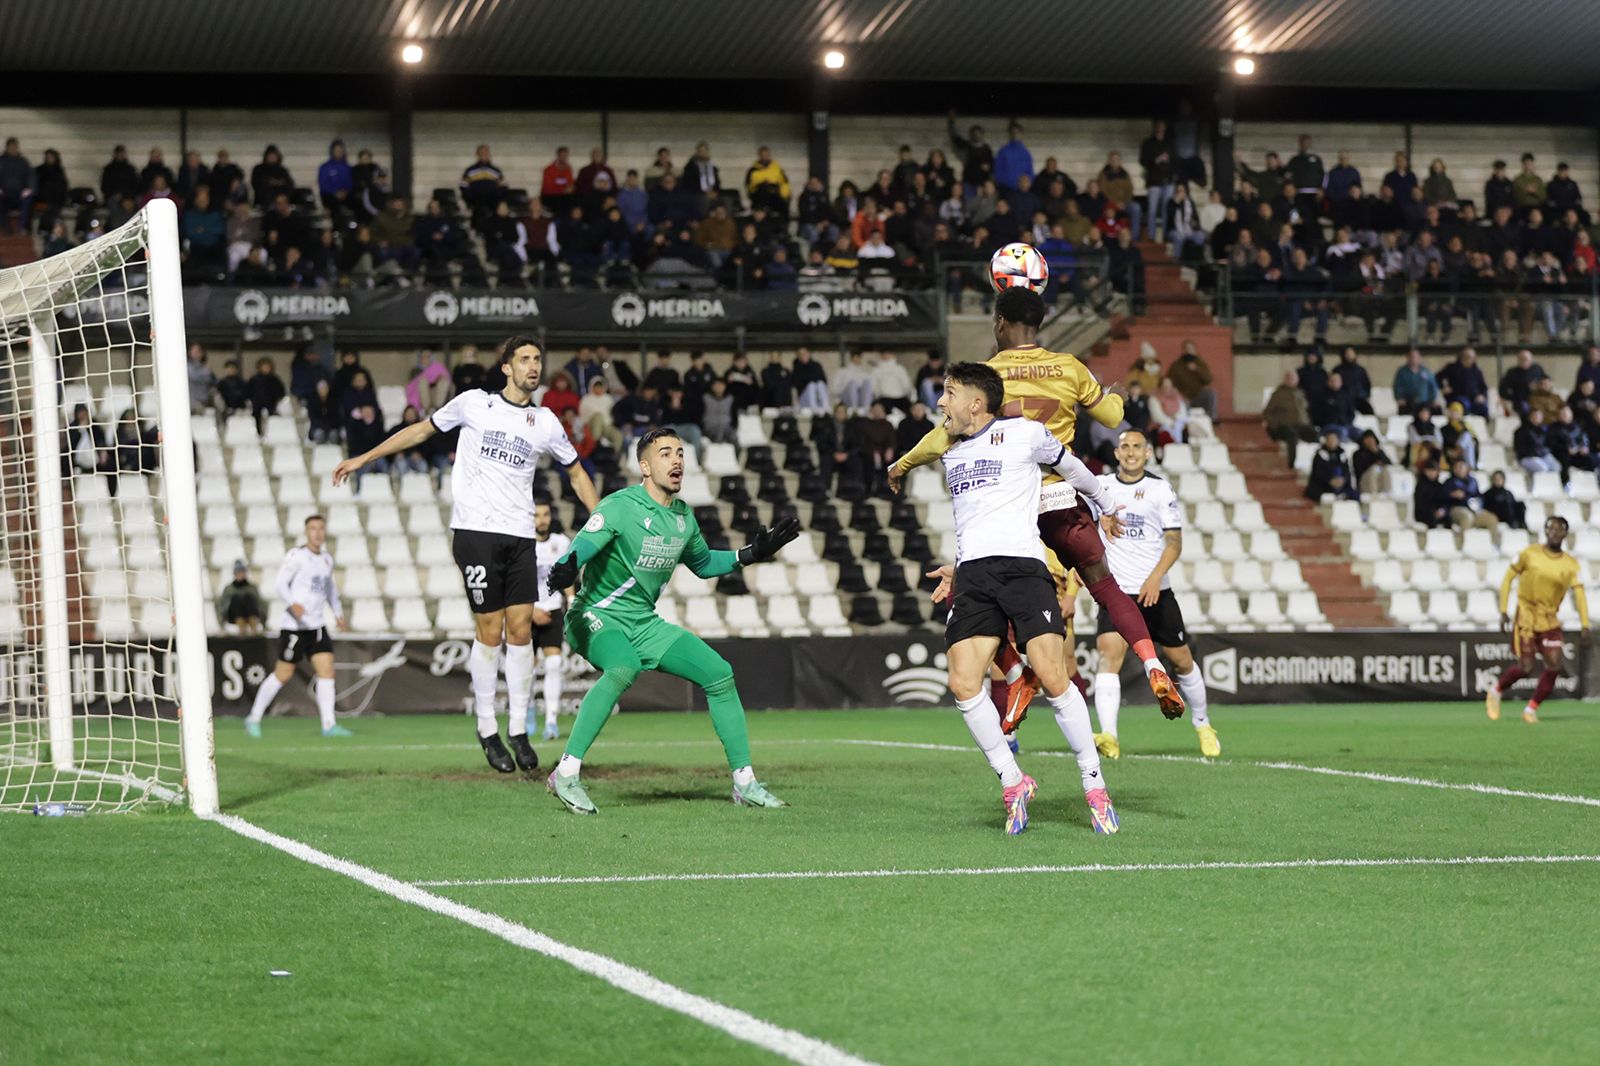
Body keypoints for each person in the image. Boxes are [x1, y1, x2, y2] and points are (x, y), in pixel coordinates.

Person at [888, 286, 1186, 720]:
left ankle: (1016, 675)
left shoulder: (987, 375)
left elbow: (944, 435)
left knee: (969, 591)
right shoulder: (1069, 367)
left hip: (1012, 508)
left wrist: (901, 465)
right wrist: (1113, 395)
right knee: (1105, 587)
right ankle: (1154, 664)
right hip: (1064, 499)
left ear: (1000, 324)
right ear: (1040, 324)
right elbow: (1112, 418)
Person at [332, 337, 600, 773]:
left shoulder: (545, 421)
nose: (534, 366)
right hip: (476, 534)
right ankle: (486, 727)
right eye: (525, 360)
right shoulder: (474, 403)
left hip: (519, 536)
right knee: (490, 630)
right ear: (506, 368)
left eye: (537, 359)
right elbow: (421, 429)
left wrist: (603, 517)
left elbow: (574, 471)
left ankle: (518, 729)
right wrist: (366, 456)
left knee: (520, 632)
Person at [542, 428, 801, 814]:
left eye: (680, 453)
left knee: (719, 672)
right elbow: (585, 544)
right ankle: (566, 772)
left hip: (643, 623)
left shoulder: (683, 518)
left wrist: (749, 554)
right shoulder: (620, 505)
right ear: (644, 466)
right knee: (624, 665)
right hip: (594, 614)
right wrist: (568, 567)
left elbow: (702, 564)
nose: (677, 460)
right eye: (665, 453)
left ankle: (745, 783)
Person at [922, 361, 1120, 835]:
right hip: (974, 573)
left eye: (949, 393)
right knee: (963, 682)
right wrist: (960, 564)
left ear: (976, 401)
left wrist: (1106, 503)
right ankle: (1014, 783)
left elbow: (1071, 466)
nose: (941, 402)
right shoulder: (952, 452)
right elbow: (977, 515)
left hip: (1023, 569)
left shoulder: (1025, 435)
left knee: (1054, 676)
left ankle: (1094, 787)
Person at [1090, 429, 1219, 759]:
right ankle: (1110, 737)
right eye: (1124, 447)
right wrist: (1099, 520)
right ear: (1116, 453)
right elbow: (1080, 523)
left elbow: (1174, 543)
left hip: (1156, 590)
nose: (1131, 452)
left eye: (1137, 447)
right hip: (1117, 592)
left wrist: (1155, 578)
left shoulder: (1160, 489)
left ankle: (1203, 724)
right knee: (1108, 656)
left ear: (1148, 453)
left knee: (1181, 660)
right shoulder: (1101, 487)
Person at [243, 515, 351, 738]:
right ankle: (253, 718)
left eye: (321, 528)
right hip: (295, 627)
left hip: (318, 626)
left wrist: (338, 613)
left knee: (327, 671)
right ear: (306, 532)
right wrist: (293, 604)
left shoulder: (327, 560)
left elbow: (330, 590)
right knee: (283, 674)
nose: (318, 533)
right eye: (313, 528)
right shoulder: (297, 556)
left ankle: (328, 725)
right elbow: (280, 584)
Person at [1486, 516, 1590, 724]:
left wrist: (1585, 625)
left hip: (1549, 618)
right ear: (1545, 531)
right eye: (1550, 528)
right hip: (1526, 614)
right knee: (1525, 667)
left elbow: (1579, 595)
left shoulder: (1570, 565)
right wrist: (1503, 610)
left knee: (1554, 665)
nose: (1553, 532)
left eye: (1558, 529)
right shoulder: (1530, 554)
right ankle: (1496, 691)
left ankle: (1530, 709)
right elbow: (1507, 578)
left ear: (1565, 534)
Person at [531, 500, 572, 742]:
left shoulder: (561, 543)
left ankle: (551, 722)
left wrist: (572, 599)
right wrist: (531, 610)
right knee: (525, 667)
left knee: (554, 664)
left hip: (553, 608)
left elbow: (566, 576)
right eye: (537, 515)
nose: (542, 519)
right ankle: (525, 714)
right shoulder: (523, 543)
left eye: (545, 514)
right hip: (525, 611)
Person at [1306, 429, 1358, 501]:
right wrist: (1330, 481)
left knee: (1355, 495)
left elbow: (1347, 472)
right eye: (1329, 439)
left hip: (1341, 484)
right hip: (1323, 485)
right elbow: (1317, 473)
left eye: (1334, 439)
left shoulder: (1342, 455)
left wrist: (1343, 480)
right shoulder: (1319, 455)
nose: (1332, 442)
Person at [215, 560, 263, 634]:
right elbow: (223, 605)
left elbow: (259, 603)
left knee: (248, 598)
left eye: (242, 572)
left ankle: (253, 630)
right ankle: (242, 630)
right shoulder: (229, 589)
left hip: (250, 613)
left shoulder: (252, 588)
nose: (241, 574)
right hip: (234, 615)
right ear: (234, 574)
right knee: (236, 600)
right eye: (238, 572)